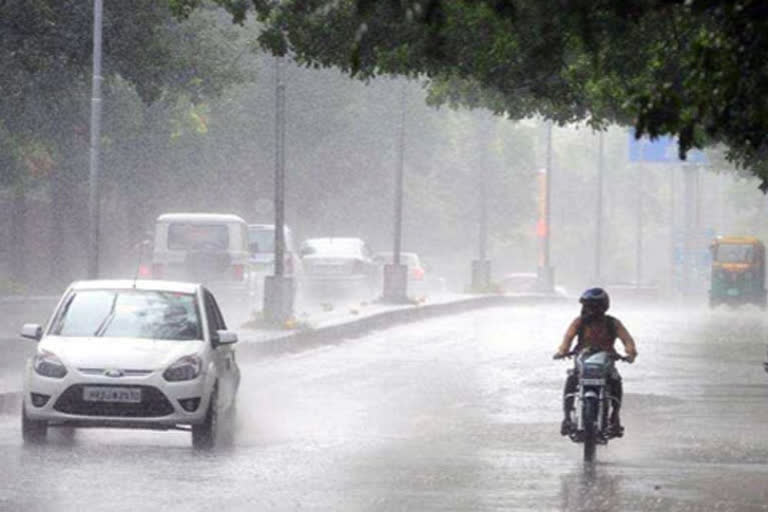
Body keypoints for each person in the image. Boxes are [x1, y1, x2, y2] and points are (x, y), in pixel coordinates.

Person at [553, 287, 638, 437]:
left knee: (615, 381)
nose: (589, 310)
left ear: (603, 307)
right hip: (582, 359)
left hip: (606, 361)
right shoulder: (578, 322)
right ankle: (567, 417)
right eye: (587, 306)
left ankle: (615, 417)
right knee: (572, 379)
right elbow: (567, 339)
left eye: (593, 306)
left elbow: (627, 340)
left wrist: (630, 354)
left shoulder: (613, 323)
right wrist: (562, 352)